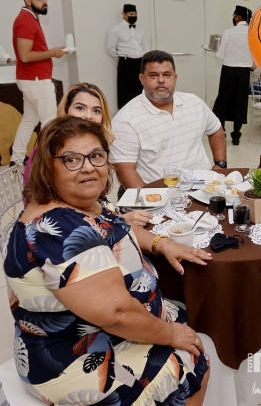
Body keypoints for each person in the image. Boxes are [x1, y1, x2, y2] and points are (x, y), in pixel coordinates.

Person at [4, 116, 212, 405]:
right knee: (193, 361)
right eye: (72, 160)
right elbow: (117, 314)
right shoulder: (59, 230)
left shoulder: (83, 204)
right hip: (77, 359)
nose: (88, 166)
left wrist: (161, 243)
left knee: (196, 314)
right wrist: (170, 334)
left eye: (96, 156)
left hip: (103, 332)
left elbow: (117, 228)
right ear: (47, 168)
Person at [22, 82, 152, 227]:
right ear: (65, 110)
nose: (88, 116)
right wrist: (117, 222)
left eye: (96, 111)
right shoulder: (48, 148)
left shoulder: (98, 148)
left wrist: (118, 218)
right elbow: (41, 205)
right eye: (80, 108)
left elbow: (97, 203)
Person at [111, 50, 227, 189]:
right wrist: (149, 199)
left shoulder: (194, 102)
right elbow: (125, 170)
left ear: (175, 77)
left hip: (204, 187)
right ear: (142, 79)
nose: (161, 80)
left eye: (167, 75)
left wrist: (220, 164)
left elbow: (216, 130)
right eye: (153, 75)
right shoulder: (126, 119)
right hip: (159, 192)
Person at [10, 0, 66, 166]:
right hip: (36, 80)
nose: (44, 1)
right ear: (28, 0)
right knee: (50, 121)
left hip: (31, 79)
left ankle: (16, 160)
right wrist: (54, 53)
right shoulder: (26, 21)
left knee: (29, 120)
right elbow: (25, 56)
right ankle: (48, 164)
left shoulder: (30, 18)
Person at [212, 5, 253, 145]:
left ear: (238, 17)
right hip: (244, 72)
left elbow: (219, 56)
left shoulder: (229, 32)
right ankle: (236, 136)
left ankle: (221, 131)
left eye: (234, 15)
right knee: (240, 102)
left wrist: (214, 49)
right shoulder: (253, 34)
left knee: (222, 101)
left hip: (228, 70)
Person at [106, 3, 148, 109]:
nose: (134, 16)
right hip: (126, 63)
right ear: (124, 14)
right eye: (131, 14)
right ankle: (126, 113)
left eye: (135, 14)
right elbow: (110, 48)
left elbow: (145, 47)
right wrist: (122, 59)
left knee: (141, 88)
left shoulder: (141, 30)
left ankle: (142, 111)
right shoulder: (116, 29)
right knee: (125, 90)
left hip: (140, 63)